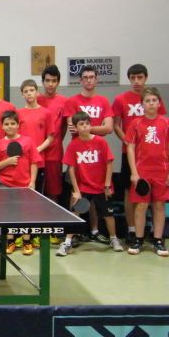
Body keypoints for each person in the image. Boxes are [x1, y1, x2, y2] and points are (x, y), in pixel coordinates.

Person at [112, 64, 167, 244]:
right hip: (130, 153)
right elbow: (116, 125)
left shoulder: (153, 99)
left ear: (145, 78)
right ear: (129, 79)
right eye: (133, 78)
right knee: (131, 191)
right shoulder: (121, 99)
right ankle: (132, 229)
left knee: (155, 196)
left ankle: (153, 231)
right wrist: (127, 141)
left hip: (153, 156)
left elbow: (162, 124)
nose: (136, 82)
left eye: (140, 78)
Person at [57, 112, 124, 256]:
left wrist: (107, 185)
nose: (85, 126)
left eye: (87, 123)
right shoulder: (73, 145)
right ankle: (67, 242)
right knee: (75, 213)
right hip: (83, 187)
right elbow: (72, 170)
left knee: (108, 215)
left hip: (101, 187)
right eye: (81, 124)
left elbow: (109, 163)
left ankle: (114, 239)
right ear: (75, 127)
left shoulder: (101, 142)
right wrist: (76, 190)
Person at [125, 87, 169, 257]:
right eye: (147, 101)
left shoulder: (167, 122)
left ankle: (157, 240)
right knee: (140, 206)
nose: (151, 103)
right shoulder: (136, 124)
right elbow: (131, 148)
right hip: (142, 172)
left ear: (159, 102)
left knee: (159, 205)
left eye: (154, 100)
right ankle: (139, 239)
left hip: (162, 172)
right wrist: (134, 172)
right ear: (142, 104)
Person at [63, 65, 113, 245]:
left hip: (98, 156)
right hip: (79, 155)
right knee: (76, 193)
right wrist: (90, 128)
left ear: (96, 79)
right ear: (80, 80)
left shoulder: (104, 101)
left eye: (92, 77)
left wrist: (85, 127)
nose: (89, 80)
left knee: (94, 193)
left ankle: (94, 230)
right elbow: (72, 129)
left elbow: (109, 128)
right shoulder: (72, 101)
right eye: (85, 77)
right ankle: (73, 232)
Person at [0, 110, 42, 255]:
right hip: (5, 184)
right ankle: (10, 241)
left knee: (26, 214)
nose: (10, 126)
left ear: (18, 125)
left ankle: (27, 242)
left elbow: (34, 162)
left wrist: (32, 181)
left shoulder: (28, 141)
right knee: (8, 214)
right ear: (2, 126)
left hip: (25, 185)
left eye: (13, 123)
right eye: (6, 124)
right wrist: (7, 162)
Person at [36, 65, 67, 244]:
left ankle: (52, 229)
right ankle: (35, 229)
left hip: (55, 153)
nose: (50, 84)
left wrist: (56, 142)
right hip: (37, 155)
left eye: (54, 81)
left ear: (58, 82)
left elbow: (63, 127)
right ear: (43, 82)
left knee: (53, 191)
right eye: (47, 81)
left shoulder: (64, 101)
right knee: (37, 192)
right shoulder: (36, 99)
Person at [18, 79, 53, 193]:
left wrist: (37, 149)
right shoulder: (18, 113)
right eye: (26, 91)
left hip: (38, 160)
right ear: (22, 94)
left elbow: (50, 137)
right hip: (22, 161)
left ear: (37, 92)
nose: (29, 93)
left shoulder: (46, 113)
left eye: (32, 90)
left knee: (36, 194)